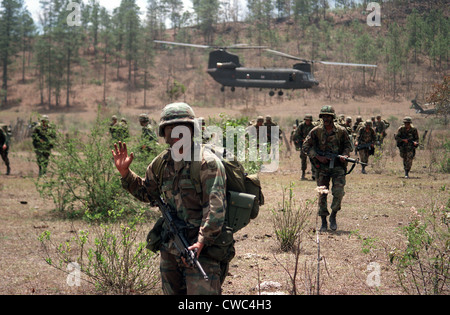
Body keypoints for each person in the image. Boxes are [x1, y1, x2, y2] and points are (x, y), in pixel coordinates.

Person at [112, 102, 227, 295]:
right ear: (164, 133)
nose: (176, 133)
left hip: (202, 250)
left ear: (192, 131)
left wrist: (201, 242)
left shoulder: (207, 163)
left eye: (182, 128)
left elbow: (215, 209)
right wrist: (126, 174)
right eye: (170, 128)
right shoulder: (161, 163)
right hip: (171, 247)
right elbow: (147, 193)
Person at [303, 105, 353, 232]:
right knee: (322, 194)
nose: (326, 118)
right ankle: (324, 221)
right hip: (322, 168)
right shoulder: (316, 131)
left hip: (338, 167)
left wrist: (345, 155)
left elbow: (348, 145)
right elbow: (306, 147)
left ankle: (334, 215)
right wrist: (318, 157)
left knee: (338, 193)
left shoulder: (341, 131)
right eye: (324, 116)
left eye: (328, 116)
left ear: (332, 117)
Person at [293, 114, 315, 180]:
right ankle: (303, 173)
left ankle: (314, 174)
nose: (307, 121)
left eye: (308, 120)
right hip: (303, 145)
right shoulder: (301, 126)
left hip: (311, 145)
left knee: (313, 159)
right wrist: (302, 139)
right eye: (306, 120)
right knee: (303, 159)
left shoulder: (313, 126)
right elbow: (296, 135)